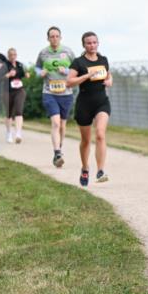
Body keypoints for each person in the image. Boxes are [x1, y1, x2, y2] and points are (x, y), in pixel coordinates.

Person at [66, 32, 112, 186]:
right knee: (86, 141)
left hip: (101, 102)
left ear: (98, 43)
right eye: (89, 43)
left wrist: (110, 80)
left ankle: (100, 171)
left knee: (100, 134)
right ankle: (85, 168)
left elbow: (108, 75)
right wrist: (86, 75)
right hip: (84, 104)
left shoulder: (103, 59)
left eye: (94, 42)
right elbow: (69, 82)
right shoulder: (78, 62)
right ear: (84, 45)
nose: (92, 45)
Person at [36, 26, 76, 167]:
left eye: (56, 36)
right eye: (51, 36)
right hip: (49, 92)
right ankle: (57, 152)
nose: (54, 38)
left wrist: (66, 70)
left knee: (63, 126)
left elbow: (76, 70)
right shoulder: (43, 53)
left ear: (60, 37)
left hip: (66, 93)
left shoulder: (68, 52)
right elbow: (37, 67)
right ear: (48, 38)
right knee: (56, 123)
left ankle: (59, 147)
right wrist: (39, 73)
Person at [4, 48, 29, 143]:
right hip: (7, 91)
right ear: (8, 55)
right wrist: (8, 75)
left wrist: (26, 75)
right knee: (9, 113)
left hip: (19, 90)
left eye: (14, 54)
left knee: (19, 111)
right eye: (11, 55)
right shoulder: (4, 65)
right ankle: (9, 133)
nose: (13, 56)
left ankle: (18, 133)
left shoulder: (19, 64)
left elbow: (23, 74)